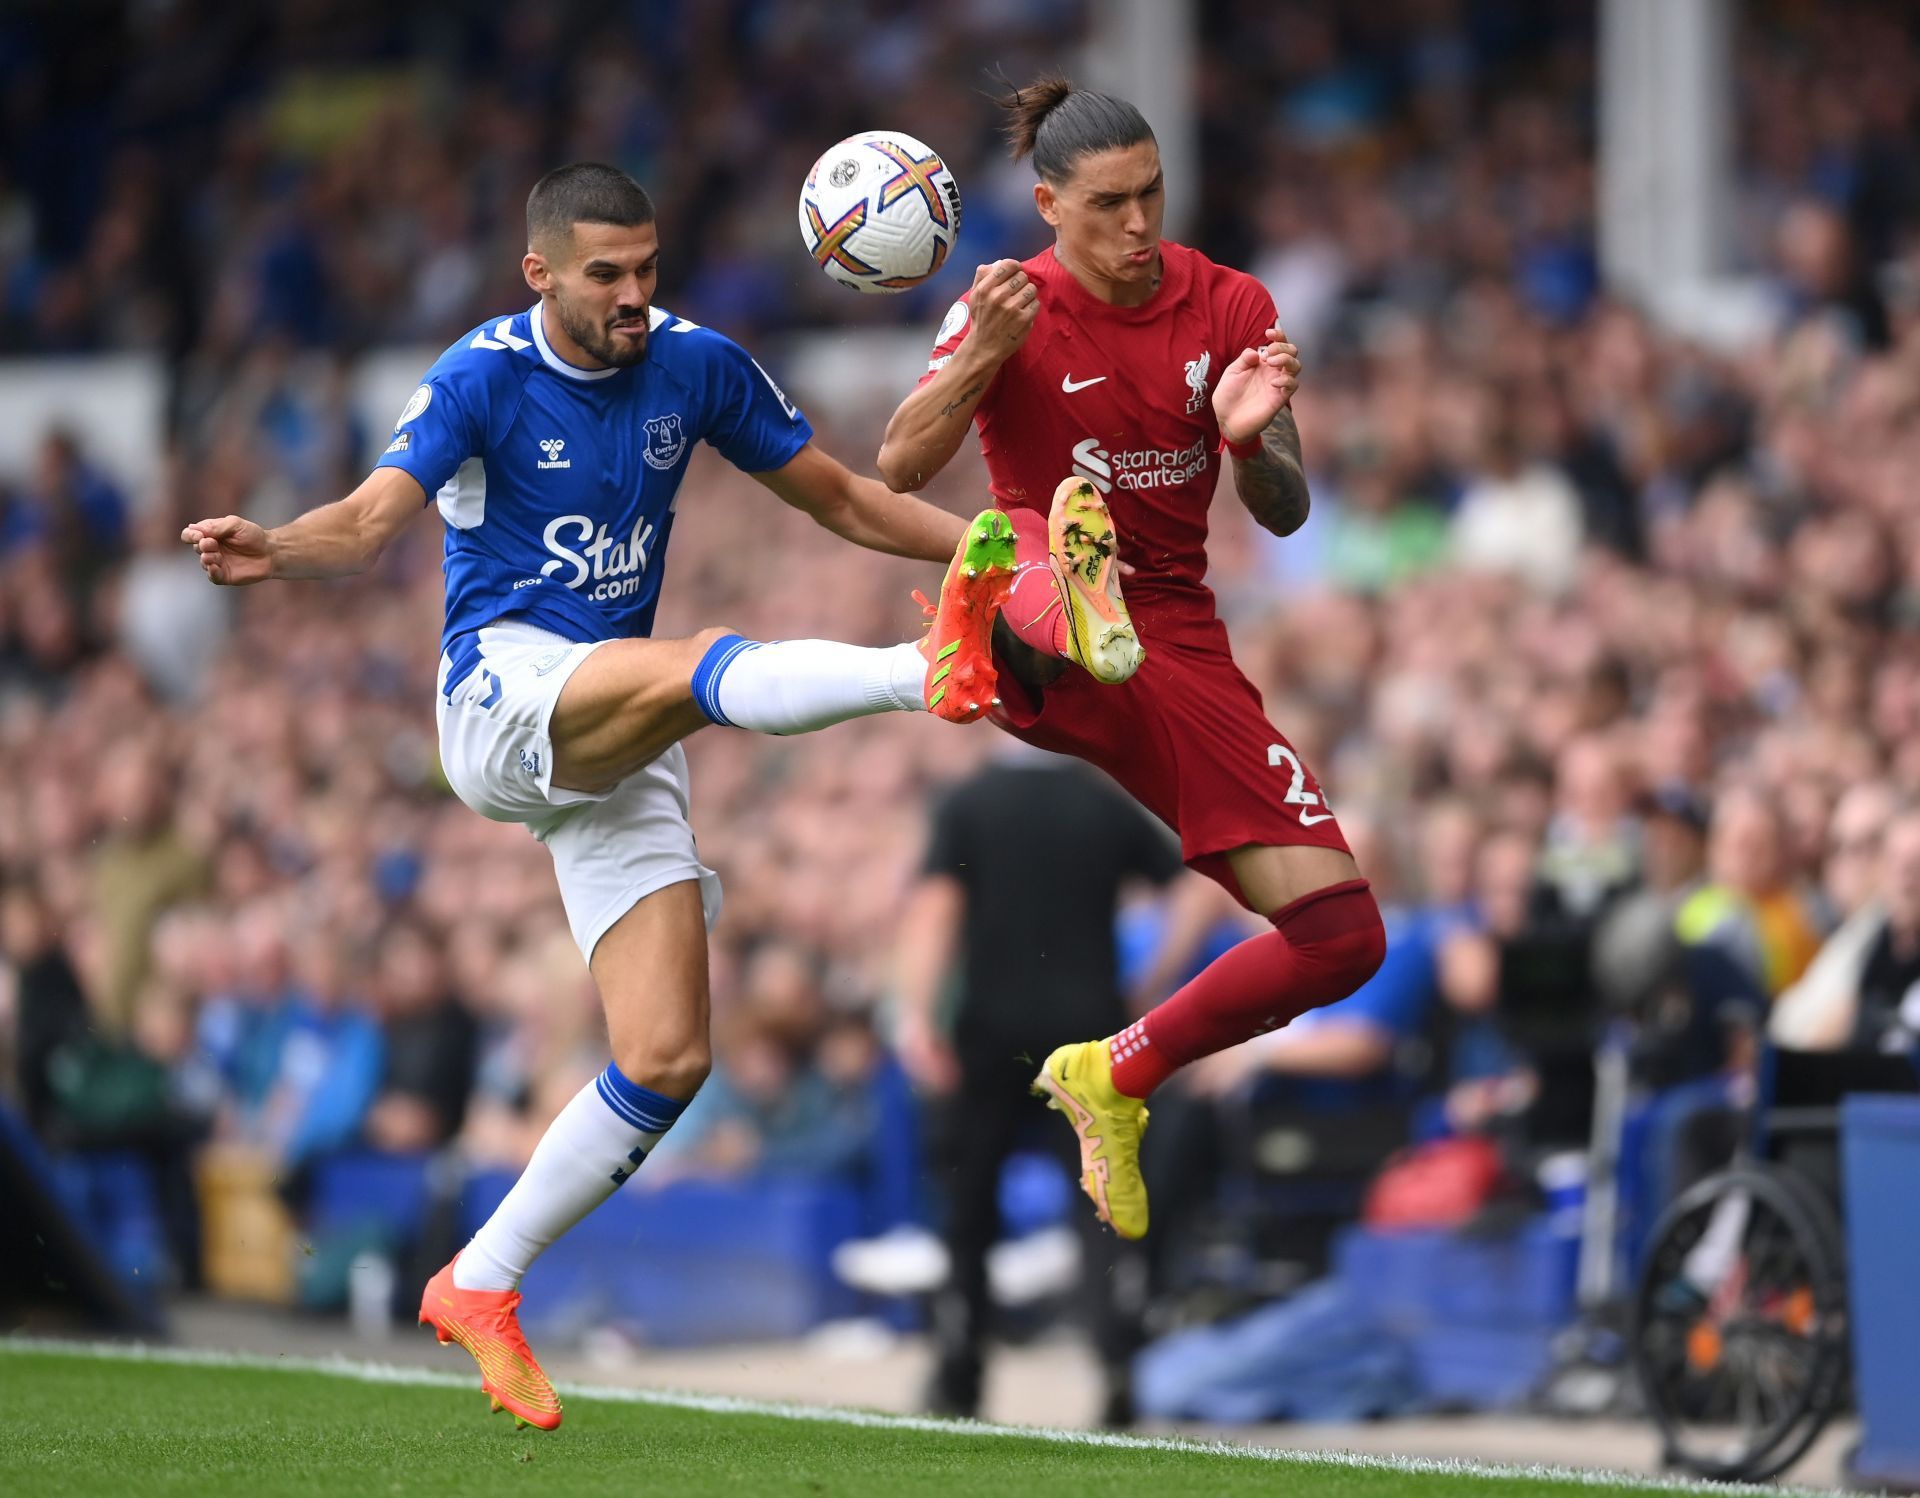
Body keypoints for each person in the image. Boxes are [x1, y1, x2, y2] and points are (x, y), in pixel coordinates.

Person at [182, 162, 1016, 1431]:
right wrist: (273, 549)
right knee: (696, 665)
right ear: (541, 275)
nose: (636, 296)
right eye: (607, 276)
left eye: (648, 268)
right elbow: (363, 525)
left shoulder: (696, 364)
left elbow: (842, 497)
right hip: (503, 695)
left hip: (614, 724)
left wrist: (980, 540)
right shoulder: (480, 377)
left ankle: (481, 1278)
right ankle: (926, 671)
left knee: (671, 1054)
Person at [877, 77, 1386, 1241]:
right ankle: (1044, 597)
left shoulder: (1232, 305)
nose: (1140, 223)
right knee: (1047, 548)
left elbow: (1289, 511)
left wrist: (1252, 446)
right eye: (1109, 203)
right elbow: (901, 463)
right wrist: (978, 359)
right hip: (1039, 609)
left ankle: (1114, 1072)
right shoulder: (1007, 305)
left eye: (1152, 192)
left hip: (1172, 640)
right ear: (1049, 204)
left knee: (1343, 938)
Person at [894, 745, 1182, 1423]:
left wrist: (916, 1018)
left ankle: (960, 1370)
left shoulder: (968, 802)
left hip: (990, 1036)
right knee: (1104, 1205)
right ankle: (1117, 1364)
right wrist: (1155, 984)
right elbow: (1193, 883)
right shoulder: (1103, 805)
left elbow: (936, 911)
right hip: (1091, 1038)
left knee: (970, 1210)